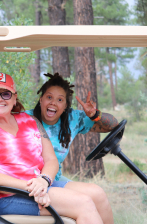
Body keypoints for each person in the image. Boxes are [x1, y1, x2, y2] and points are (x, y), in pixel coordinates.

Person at [0, 72, 107, 224]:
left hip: (36, 185)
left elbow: (51, 160)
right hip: (5, 196)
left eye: (6, 94)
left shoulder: (30, 121)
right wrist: (34, 188)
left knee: (97, 194)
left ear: (14, 98)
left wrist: (44, 180)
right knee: (83, 203)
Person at [26, 72, 118, 224]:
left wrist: (95, 114)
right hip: (33, 181)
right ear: (41, 99)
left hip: (53, 179)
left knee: (99, 195)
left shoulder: (72, 119)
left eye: (60, 100)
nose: (53, 103)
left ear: (65, 106)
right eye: (49, 97)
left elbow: (113, 124)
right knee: (85, 202)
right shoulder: (25, 120)